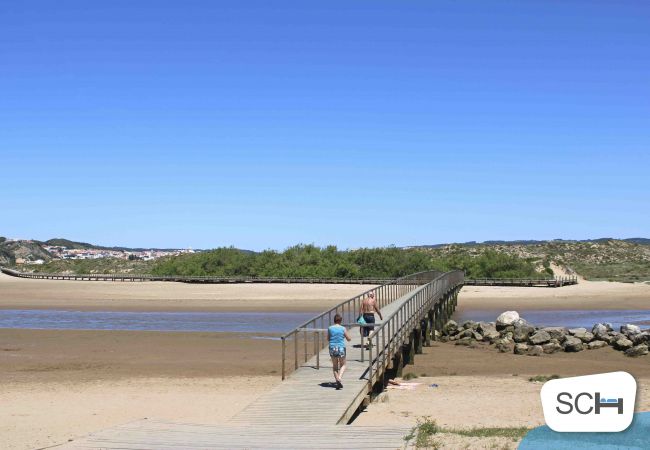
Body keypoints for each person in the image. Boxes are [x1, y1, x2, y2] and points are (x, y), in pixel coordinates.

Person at [328, 313, 351, 390]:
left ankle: (337, 378)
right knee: (343, 364)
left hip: (332, 347)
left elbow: (328, 338)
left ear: (334, 320)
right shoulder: (343, 328)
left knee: (335, 366)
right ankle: (339, 378)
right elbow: (348, 339)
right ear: (341, 320)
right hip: (341, 348)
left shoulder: (330, 328)